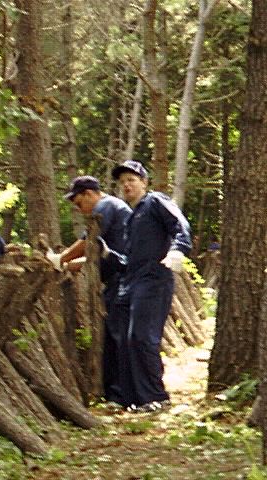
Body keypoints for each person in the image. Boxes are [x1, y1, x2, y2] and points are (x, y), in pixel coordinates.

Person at [110, 160, 192, 413]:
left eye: (131, 180)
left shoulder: (155, 201)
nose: (126, 185)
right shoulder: (131, 216)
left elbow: (180, 224)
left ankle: (156, 396)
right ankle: (132, 398)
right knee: (123, 339)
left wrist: (179, 250)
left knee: (142, 337)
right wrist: (108, 255)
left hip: (153, 278)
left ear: (144, 182)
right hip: (130, 282)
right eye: (122, 182)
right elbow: (129, 257)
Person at [51, 176, 132, 408]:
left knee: (116, 336)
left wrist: (60, 259)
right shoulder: (113, 207)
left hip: (121, 277)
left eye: (78, 203)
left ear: (89, 193)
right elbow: (97, 253)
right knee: (113, 335)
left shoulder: (105, 206)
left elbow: (89, 241)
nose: (79, 210)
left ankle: (119, 394)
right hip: (117, 275)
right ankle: (113, 391)